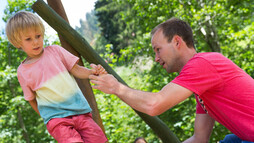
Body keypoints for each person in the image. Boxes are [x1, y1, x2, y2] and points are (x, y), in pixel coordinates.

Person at [89, 17, 254, 142]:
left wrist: (117, 88)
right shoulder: (202, 85)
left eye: (158, 50)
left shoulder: (202, 64)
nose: (156, 58)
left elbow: (154, 104)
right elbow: (199, 138)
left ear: (177, 42)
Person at [5, 11, 108, 143]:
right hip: (58, 120)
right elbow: (31, 99)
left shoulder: (55, 51)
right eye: (28, 39)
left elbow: (76, 70)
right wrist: (48, 117)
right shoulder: (23, 71)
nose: (36, 42)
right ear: (17, 42)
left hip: (81, 111)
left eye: (38, 36)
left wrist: (92, 72)